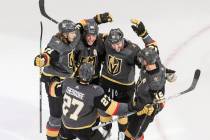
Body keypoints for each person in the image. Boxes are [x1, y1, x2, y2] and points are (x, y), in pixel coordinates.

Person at [48, 63, 153, 140]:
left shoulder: (67, 82)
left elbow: (52, 91)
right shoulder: (94, 92)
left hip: (66, 125)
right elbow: (114, 109)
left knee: (63, 136)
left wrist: (54, 79)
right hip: (84, 129)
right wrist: (135, 106)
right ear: (91, 75)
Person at [34, 19, 80, 140]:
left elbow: (81, 26)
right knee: (56, 115)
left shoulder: (70, 38)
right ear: (64, 34)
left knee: (68, 113)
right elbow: (48, 54)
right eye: (72, 32)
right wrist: (42, 59)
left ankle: (63, 136)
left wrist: (98, 19)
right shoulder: (56, 44)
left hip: (66, 82)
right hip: (53, 82)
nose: (74, 35)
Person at [99, 28, 142, 137]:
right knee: (103, 107)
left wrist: (160, 71)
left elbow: (145, 63)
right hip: (106, 82)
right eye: (113, 44)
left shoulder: (133, 50)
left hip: (125, 87)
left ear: (123, 39)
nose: (115, 47)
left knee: (123, 112)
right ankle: (106, 129)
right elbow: (95, 36)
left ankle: (122, 133)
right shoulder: (107, 42)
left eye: (118, 43)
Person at [124, 47, 166, 140]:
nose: (140, 61)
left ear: (150, 61)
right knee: (128, 129)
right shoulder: (151, 64)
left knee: (132, 136)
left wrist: (152, 108)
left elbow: (161, 103)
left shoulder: (155, 82)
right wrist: (168, 73)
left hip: (145, 113)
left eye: (142, 60)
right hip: (138, 104)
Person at [71, 12, 112, 84]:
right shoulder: (78, 42)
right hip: (78, 79)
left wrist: (108, 42)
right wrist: (97, 19)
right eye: (88, 35)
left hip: (95, 79)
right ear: (84, 34)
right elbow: (82, 23)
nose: (91, 38)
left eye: (93, 36)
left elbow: (105, 58)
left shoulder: (100, 42)